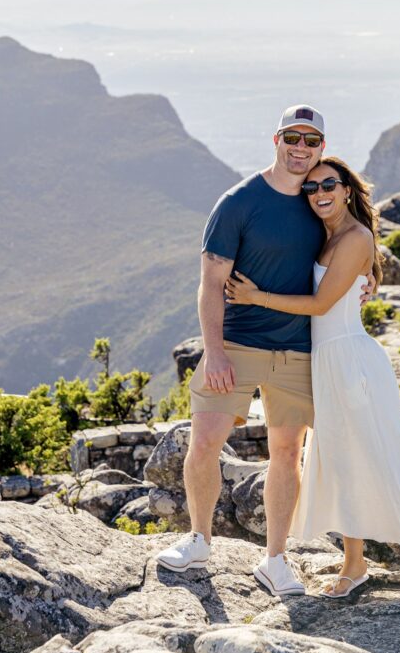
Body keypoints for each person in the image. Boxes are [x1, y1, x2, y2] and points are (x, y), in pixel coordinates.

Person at [224, 155, 400, 601]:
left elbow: (320, 306)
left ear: (347, 189)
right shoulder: (326, 235)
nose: (319, 194)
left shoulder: (355, 237)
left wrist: (256, 297)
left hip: (353, 362)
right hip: (327, 363)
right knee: (342, 460)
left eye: (328, 185)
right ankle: (354, 563)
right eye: (311, 188)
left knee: (387, 459)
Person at [157, 106, 374, 595]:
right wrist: (213, 351)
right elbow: (210, 283)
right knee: (206, 440)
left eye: (311, 141)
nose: (301, 149)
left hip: (298, 347)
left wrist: (369, 280)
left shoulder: (319, 198)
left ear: (322, 147)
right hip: (235, 342)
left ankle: (276, 560)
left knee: (286, 452)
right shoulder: (239, 202)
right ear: (276, 139)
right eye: (293, 138)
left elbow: (352, 245)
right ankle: (197, 540)